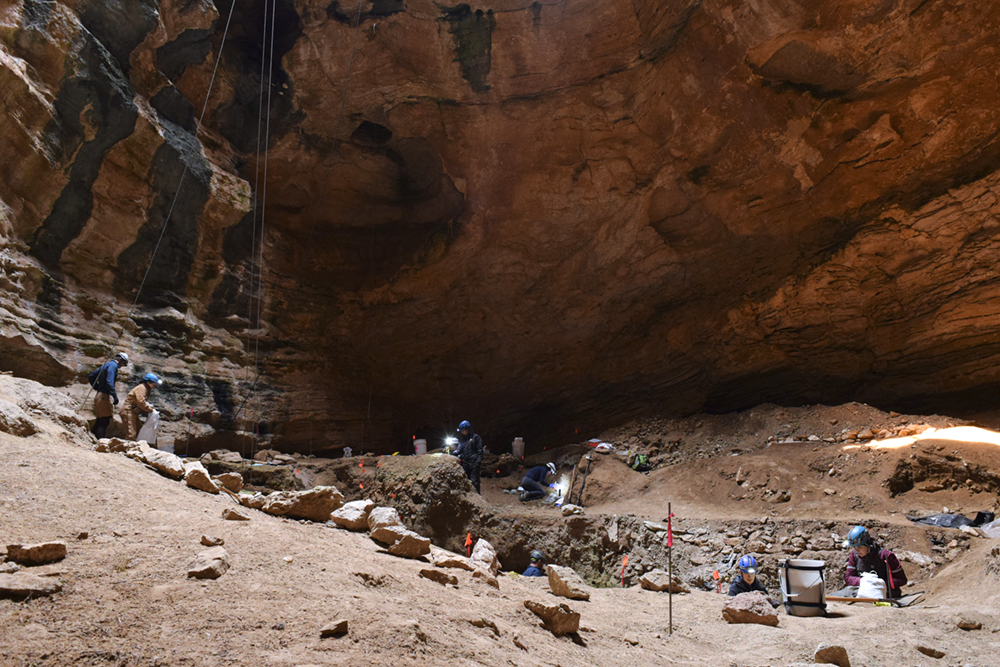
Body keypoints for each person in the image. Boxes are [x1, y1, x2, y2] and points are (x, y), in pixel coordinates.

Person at [844, 525, 908, 598]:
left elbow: (902, 579)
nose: (857, 550)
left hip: (884, 592)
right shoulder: (854, 554)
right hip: (863, 590)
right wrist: (863, 581)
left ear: (868, 545)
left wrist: (879, 583)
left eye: (860, 547)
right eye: (854, 547)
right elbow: (848, 577)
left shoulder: (885, 555)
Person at [87, 352, 128, 439]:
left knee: (100, 419)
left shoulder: (107, 364)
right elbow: (110, 382)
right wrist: (114, 396)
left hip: (99, 395)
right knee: (105, 421)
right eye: (123, 364)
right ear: (121, 360)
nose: (122, 366)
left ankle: (92, 439)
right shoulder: (113, 366)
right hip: (104, 396)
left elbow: (91, 376)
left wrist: (97, 388)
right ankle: (101, 442)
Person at [120, 372, 163, 440]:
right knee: (131, 433)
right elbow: (141, 402)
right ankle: (127, 448)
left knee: (139, 430)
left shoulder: (145, 389)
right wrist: (150, 409)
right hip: (128, 411)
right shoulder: (142, 388)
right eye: (154, 384)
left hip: (132, 412)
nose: (155, 386)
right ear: (149, 382)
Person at [453, 420, 484, 494]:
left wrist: (478, 462)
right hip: (465, 464)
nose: (462, 432)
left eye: (463, 430)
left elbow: (480, 451)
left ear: (467, 429)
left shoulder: (476, 438)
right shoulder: (463, 440)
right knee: (466, 482)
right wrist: (455, 453)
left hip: (473, 464)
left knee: (474, 482)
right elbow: (459, 449)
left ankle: (477, 499)